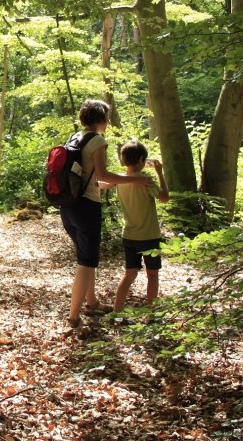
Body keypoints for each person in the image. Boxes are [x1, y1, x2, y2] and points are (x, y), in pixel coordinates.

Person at [61, 99, 152, 330]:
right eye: (107, 117)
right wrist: (135, 178)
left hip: (68, 206)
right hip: (86, 208)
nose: (108, 122)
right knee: (86, 262)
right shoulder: (97, 140)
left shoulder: (74, 138)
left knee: (86, 257)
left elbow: (95, 180)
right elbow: (104, 174)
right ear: (101, 118)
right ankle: (73, 318)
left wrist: (110, 184)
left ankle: (91, 303)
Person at [112, 140, 169, 318]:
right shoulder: (146, 180)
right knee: (152, 275)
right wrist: (160, 173)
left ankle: (117, 314)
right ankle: (151, 316)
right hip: (149, 236)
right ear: (142, 159)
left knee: (129, 275)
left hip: (129, 235)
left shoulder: (120, 180)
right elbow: (165, 198)